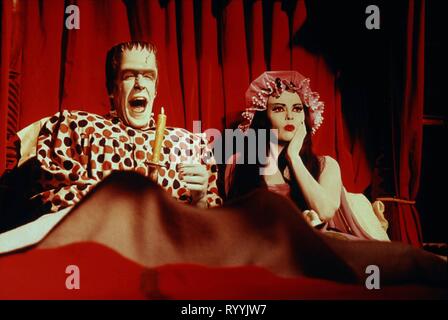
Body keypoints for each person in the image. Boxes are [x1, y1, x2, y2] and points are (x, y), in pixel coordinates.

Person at [0, 41, 222, 233]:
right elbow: (48, 199)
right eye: (129, 75)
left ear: (155, 89)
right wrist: (120, 199)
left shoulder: (190, 145)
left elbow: (214, 231)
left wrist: (200, 199)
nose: (139, 84)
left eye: (148, 76)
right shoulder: (79, 128)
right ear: (112, 89)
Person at [225, 71, 386, 239]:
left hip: (316, 246)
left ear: (305, 116)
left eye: (297, 109)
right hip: (262, 245)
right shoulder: (239, 163)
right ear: (263, 117)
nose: (290, 116)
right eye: (279, 109)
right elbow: (235, 220)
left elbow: (325, 212)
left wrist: (293, 156)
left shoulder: (327, 165)